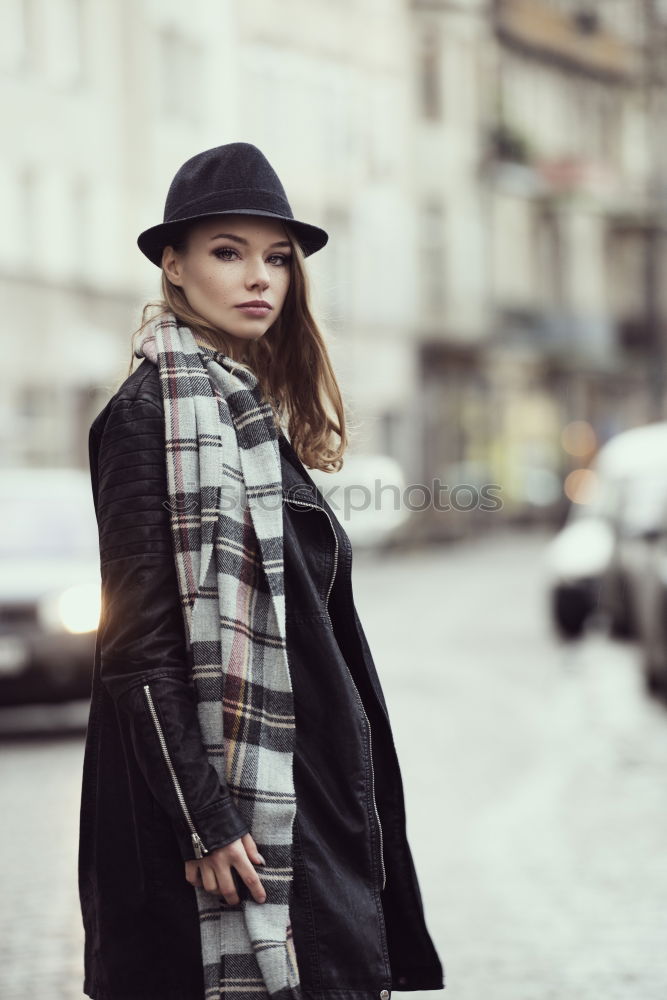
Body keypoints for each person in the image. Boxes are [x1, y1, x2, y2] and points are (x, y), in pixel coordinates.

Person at [77, 142, 445, 1000]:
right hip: (223, 817)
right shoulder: (148, 416)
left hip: (295, 791)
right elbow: (136, 646)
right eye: (227, 251)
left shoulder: (242, 416)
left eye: (276, 257)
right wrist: (202, 819)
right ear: (173, 267)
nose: (260, 278)